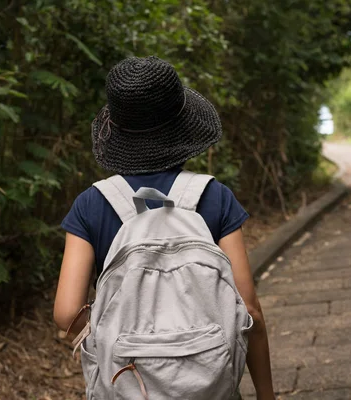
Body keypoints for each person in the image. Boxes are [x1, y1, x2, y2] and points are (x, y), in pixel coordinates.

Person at [53, 56, 275, 399]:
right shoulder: (214, 197)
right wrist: (266, 394)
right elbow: (250, 311)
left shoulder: (91, 204)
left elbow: (67, 313)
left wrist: (117, 332)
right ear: (184, 127)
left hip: (127, 383)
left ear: (116, 130)